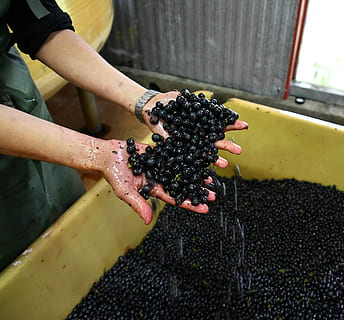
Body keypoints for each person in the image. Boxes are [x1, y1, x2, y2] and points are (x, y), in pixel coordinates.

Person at [0, 0, 248, 271]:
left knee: (67, 225)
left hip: (19, 97)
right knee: (15, 258)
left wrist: (143, 100)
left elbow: (40, 24)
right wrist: (98, 153)